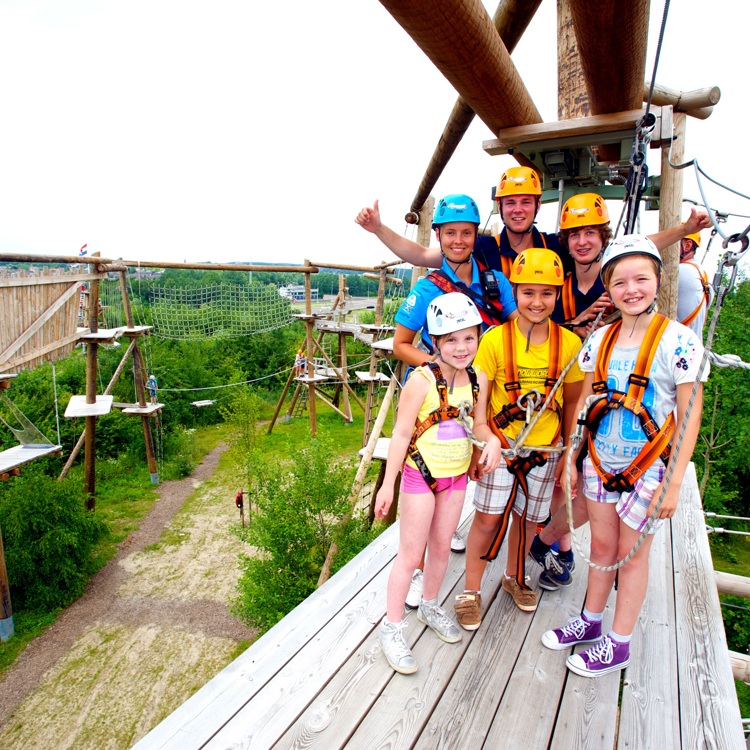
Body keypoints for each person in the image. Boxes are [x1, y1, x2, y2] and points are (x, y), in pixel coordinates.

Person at [542, 235, 708, 677]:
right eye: (620, 282)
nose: (631, 290)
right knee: (600, 545)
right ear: (609, 289)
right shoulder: (601, 340)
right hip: (600, 460)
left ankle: (619, 642)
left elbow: (690, 415)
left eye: (641, 279)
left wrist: (673, 484)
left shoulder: (680, 343)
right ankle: (591, 621)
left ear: (658, 280)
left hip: (648, 467)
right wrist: (573, 459)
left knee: (632, 556)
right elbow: (583, 405)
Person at [530, 197, 712, 589]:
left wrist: (682, 230)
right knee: (579, 492)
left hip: (626, 403)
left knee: (591, 502)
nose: (582, 242)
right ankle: (554, 546)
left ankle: (555, 547)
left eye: (591, 233)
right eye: (575, 234)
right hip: (577, 392)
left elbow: (640, 250)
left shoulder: (618, 273)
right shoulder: (559, 281)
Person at [356, 193, 517, 607]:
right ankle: (418, 566)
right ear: (440, 236)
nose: (459, 240)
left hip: (480, 388)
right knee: (426, 464)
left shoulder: (493, 279)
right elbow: (400, 344)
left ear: (475, 234)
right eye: (450, 233)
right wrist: (440, 365)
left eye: (466, 233)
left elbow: (515, 325)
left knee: (463, 463)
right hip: (437, 391)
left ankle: (445, 535)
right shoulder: (432, 285)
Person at [453, 248, 584, 627]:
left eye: (547, 293)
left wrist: (568, 461)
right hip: (501, 446)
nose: (537, 302)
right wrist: (485, 441)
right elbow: (480, 405)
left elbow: (573, 406)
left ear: (558, 295)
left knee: (529, 521)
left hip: (544, 451)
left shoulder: (569, 346)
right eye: (528, 292)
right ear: (515, 291)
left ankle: (514, 577)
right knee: (488, 519)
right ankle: (472, 589)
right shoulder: (494, 341)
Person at [375, 292, 501, 674]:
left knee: (442, 547)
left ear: (479, 337)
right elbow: (400, 434)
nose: (461, 347)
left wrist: (490, 441)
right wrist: (387, 485)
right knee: (411, 554)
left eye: (469, 337)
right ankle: (392, 626)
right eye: (451, 340)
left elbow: (477, 424)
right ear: (435, 343)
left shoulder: (478, 378)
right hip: (420, 474)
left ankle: (430, 604)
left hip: (456, 476)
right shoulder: (421, 380)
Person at [358, 166, 568, 280]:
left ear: (538, 205)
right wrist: (378, 228)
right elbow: (420, 255)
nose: (518, 209)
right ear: (500, 206)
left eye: (526, 202)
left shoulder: (556, 247)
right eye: (510, 202)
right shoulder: (484, 249)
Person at [677, 229, 713, 340]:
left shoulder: (680, 271)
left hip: (677, 349)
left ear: (687, 245)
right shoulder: (703, 275)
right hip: (693, 348)